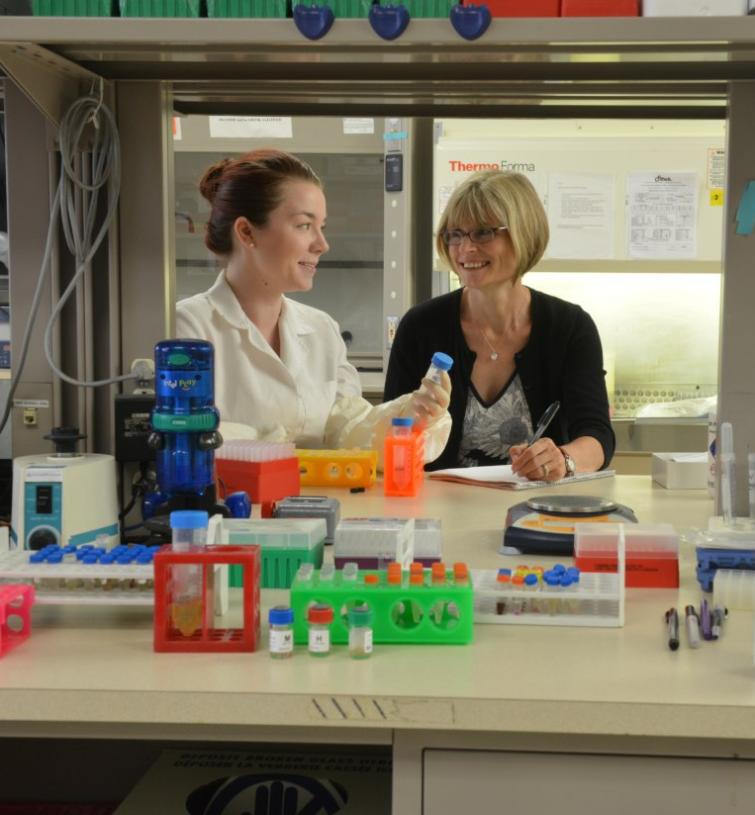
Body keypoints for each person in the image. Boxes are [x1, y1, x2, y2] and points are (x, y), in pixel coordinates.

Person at [176, 148, 451, 463]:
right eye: (304, 225)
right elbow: (194, 439)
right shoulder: (189, 330)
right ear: (247, 232)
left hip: (315, 510)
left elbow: (346, 430)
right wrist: (288, 447)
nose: (322, 244)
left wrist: (408, 416)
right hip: (227, 512)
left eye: (322, 226)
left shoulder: (321, 329)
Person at [384, 170, 614, 480]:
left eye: (483, 232)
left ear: (523, 234)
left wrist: (563, 459)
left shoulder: (570, 327)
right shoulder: (421, 326)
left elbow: (597, 435)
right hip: (437, 509)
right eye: (455, 234)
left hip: (536, 512)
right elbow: (389, 433)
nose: (465, 249)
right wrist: (413, 418)